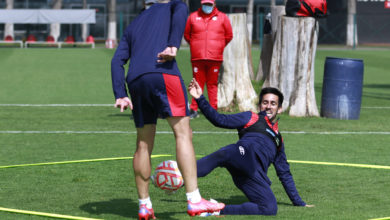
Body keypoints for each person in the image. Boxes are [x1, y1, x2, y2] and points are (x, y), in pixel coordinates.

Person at [110, 1, 225, 219]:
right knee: (183, 133)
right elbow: (182, 8)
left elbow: (117, 61)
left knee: (143, 144)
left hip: (135, 81)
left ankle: (144, 205)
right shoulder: (174, 5)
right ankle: (194, 200)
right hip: (163, 72)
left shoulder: (133, 25)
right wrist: (173, 44)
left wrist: (120, 93)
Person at [188, 79, 314, 215]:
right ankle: (181, 176)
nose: (268, 106)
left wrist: (299, 202)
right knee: (227, 152)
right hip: (242, 155)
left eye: (273, 103)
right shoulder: (251, 117)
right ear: (260, 106)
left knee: (270, 208)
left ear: (280, 109)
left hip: (254, 175)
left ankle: (214, 209)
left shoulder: (278, 140)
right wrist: (200, 99)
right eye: (265, 103)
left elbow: (284, 173)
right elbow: (219, 120)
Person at [184, 0, 233, 119]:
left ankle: (212, 109)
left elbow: (229, 35)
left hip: (215, 58)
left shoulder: (222, 18)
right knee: (197, 83)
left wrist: (218, 47)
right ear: (201, 4)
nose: (207, 6)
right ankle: (194, 109)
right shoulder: (193, 17)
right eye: (205, 4)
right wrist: (196, 46)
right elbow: (187, 35)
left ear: (214, 4)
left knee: (212, 84)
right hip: (198, 57)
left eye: (210, 4)